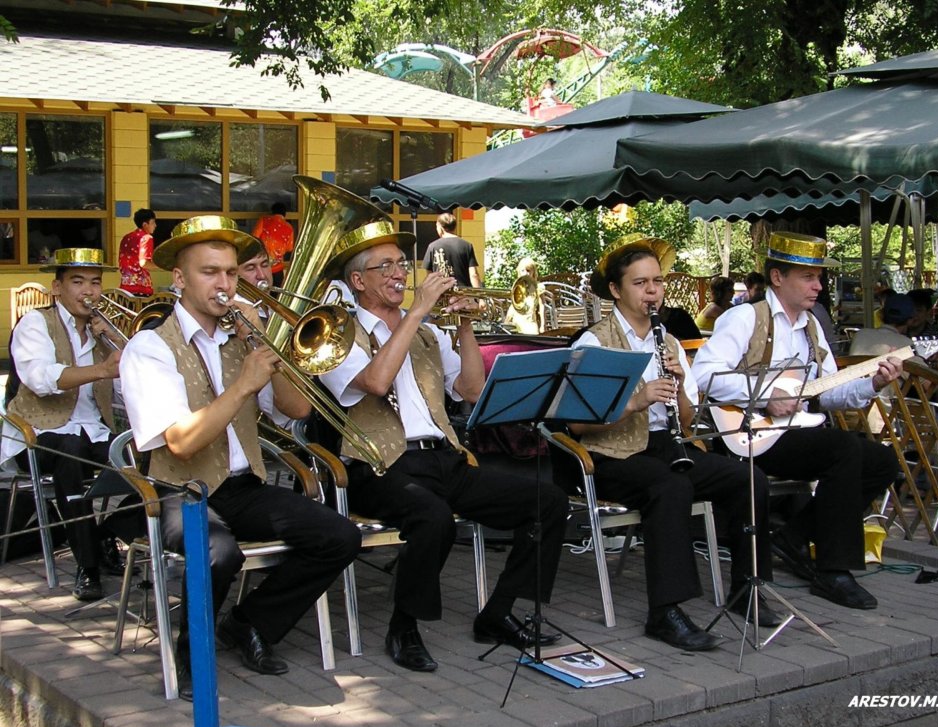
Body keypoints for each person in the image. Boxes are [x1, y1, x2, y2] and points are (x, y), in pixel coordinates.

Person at [119, 216, 360, 700]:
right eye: (210, 272)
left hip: (240, 485)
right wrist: (244, 383)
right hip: (179, 489)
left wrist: (267, 345)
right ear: (180, 279)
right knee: (218, 552)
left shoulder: (240, 340)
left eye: (231, 272)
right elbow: (181, 443)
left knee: (338, 535)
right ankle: (191, 656)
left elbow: (296, 409)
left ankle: (249, 623)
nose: (225, 284)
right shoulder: (149, 347)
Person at [320, 220, 568, 673]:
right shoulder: (335, 334)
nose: (400, 274)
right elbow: (375, 382)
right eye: (386, 267)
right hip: (378, 466)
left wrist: (467, 326)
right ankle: (404, 626)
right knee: (432, 518)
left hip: (442, 456)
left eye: (401, 264)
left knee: (546, 500)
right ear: (358, 281)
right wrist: (418, 311)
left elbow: (471, 391)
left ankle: (499, 613)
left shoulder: (430, 335)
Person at [559, 235, 778, 651]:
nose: (652, 291)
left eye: (656, 282)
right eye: (640, 284)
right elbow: (577, 424)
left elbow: (690, 418)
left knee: (748, 477)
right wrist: (636, 401)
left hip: (664, 445)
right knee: (671, 486)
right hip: (612, 453)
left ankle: (747, 587)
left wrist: (678, 385)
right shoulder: (594, 342)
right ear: (616, 290)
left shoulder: (670, 341)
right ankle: (665, 612)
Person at [692, 232, 903, 610]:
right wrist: (764, 394)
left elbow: (827, 391)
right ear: (777, 278)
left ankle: (794, 536)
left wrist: (873, 383)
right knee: (841, 449)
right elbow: (705, 376)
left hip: (799, 431)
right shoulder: (745, 317)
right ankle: (833, 569)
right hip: (750, 431)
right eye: (808, 277)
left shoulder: (811, 327)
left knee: (882, 462)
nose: (819, 287)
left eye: (818, 277)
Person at [1, 248, 126, 601]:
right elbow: (40, 378)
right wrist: (101, 368)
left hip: (94, 432)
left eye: (95, 282)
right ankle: (87, 567)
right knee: (70, 452)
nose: (88, 291)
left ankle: (104, 536)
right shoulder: (35, 323)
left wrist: (117, 346)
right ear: (57, 288)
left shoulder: (104, 331)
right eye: (77, 282)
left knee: (143, 455)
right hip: (36, 437)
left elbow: (124, 394)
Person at [422, 212, 482, 288]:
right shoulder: (467, 245)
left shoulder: (432, 246)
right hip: (463, 295)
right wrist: (479, 297)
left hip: (441, 294)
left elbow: (430, 276)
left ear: (440, 227)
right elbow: (474, 274)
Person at [849, 293, 915, 356]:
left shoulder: (861, 334)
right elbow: (921, 367)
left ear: (881, 314)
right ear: (910, 321)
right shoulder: (907, 344)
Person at [251, 203, 295, 288]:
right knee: (276, 295)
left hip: (262, 265)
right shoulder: (289, 227)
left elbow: (254, 237)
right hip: (278, 268)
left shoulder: (264, 220)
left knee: (261, 293)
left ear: (272, 212)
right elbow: (290, 248)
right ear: (284, 214)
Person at [118, 208, 156, 296]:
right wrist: (161, 265)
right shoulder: (146, 238)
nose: (155, 225)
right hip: (141, 287)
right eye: (153, 222)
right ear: (145, 224)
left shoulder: (126, 237)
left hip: (125, 286)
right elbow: (144, 263)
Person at [503, 256, 545, 334]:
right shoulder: (517, 286)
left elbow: (542, 306)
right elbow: (513, 306)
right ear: (519, 272)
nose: (525, 273)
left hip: (530, 324)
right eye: (523, 270)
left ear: (533, 272)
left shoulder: (538, 287)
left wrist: (543, 325)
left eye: (528, 270)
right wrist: (507, 321)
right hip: (516, 323)